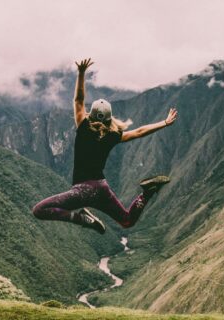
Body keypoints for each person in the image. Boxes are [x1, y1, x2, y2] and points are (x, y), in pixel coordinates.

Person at [32, 58, 178, 234]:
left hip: (83, 191)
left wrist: (81, 73)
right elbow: (139, 132)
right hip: (102, 188)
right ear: (110, 119)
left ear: (90, 115)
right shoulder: (113, 135)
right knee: (127, 220)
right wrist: (164, 122)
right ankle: (146, 193)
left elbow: (78, 99)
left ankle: (81, 219)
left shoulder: (84, 126)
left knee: (39, 210)